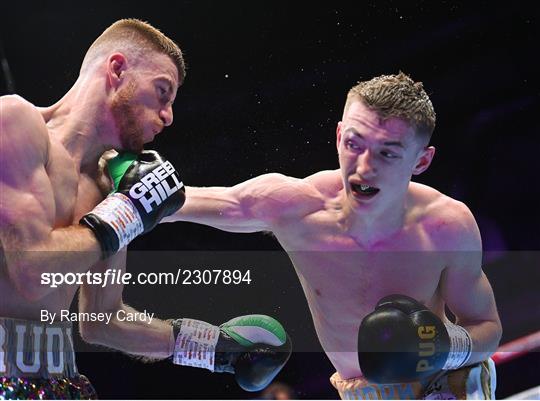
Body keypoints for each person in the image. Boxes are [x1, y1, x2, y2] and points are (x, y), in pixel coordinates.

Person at [163, 72, 503, 399]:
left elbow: (486, 327)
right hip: (359, 392)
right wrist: (117, 184)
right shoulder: (296, 208)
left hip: (443, 381)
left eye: (387, 152)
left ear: (421, 162)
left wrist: (440, 348)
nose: (364, 167)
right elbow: (173, 202)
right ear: (339, 136)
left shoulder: (446, 226)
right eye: (355, 144)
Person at [0, 19, 290, 399]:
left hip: (58, 383)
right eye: (162, 92)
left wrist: (212, 348)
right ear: (117, 69)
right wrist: (128, 213)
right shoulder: (15, 122)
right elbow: (32, 270)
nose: (168, 115)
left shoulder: (112, 186)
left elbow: (103, 321)